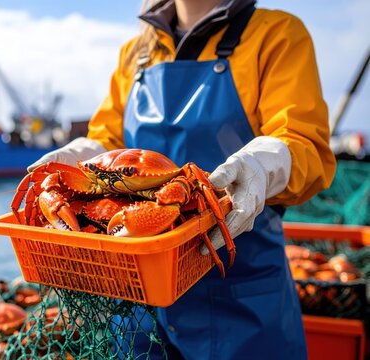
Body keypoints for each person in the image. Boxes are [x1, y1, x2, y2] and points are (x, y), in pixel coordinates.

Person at [28, 0, 336, 359]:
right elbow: (108, 138)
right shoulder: (136, 53)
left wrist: (266, 165)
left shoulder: (276, 34)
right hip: (134, 300)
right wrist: (83, 153)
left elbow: (306, 144)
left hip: (239, 287)